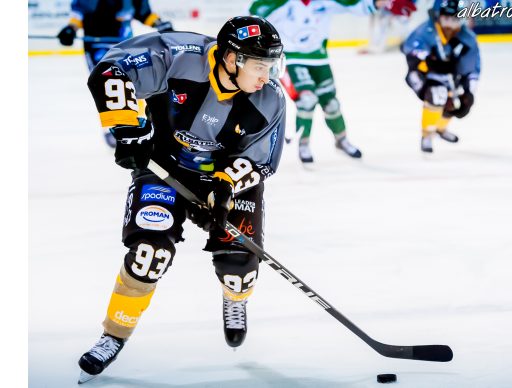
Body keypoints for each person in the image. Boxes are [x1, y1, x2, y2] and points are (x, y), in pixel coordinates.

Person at [77, 16, 286, 383]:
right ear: (231, 59)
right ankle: (113, 334)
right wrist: (129, 128)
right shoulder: (178, 55)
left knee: (239, 274)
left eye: (271, 66)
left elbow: (262, 162)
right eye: (258, 65)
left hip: (225, 180)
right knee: (148, 255)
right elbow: (110, 71)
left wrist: (223, 189)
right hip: (163, 168)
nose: (266, 76)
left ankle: (234, 300)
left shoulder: (270, 99)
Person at [250, 0, 415, 164]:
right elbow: (254, 17)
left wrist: (379, 2)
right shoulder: (280, 3)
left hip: (319, 59)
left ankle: (341, 140)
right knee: (306, 100)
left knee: (331, 104)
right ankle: (304, 144)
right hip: (291, 59)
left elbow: (355, 6)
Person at [57, 0, 173, 147]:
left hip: (124, 45)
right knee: (109, 86)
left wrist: (159, 24)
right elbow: (78, 15)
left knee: (134, 84)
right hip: (97, 48)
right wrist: (70, 29)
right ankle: (117, 127)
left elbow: (144, 13)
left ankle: (138, 124)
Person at [401, 0, 480, 153]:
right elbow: (409, 49)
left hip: (448, 76)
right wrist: (427, 60)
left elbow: (473, 69)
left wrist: (469, 92)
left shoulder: (467, 38)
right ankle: (427, 134)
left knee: (455, 101)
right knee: (438, 95)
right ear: (438, 16)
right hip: (421, 74)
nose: (450, 24)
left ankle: (440, 128)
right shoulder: (425, 32)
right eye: (447, 18)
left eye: (455, 19)